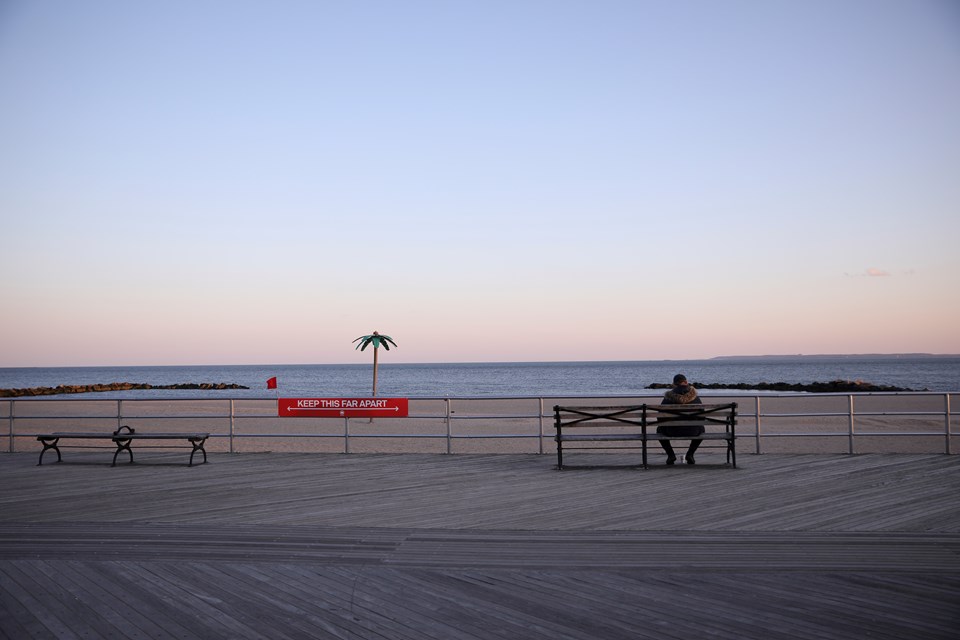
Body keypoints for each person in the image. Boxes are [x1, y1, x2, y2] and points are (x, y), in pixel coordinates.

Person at [657, 374, 704, 465]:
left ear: (674, 384)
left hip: (672, 431)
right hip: (693, 431)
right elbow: (702, 416)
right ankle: (690, 454)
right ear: (686, 382)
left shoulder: (668, 397)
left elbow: (660, 416)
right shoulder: (695, 397)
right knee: (701, 429)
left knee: (659, 430)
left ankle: (671, 455)